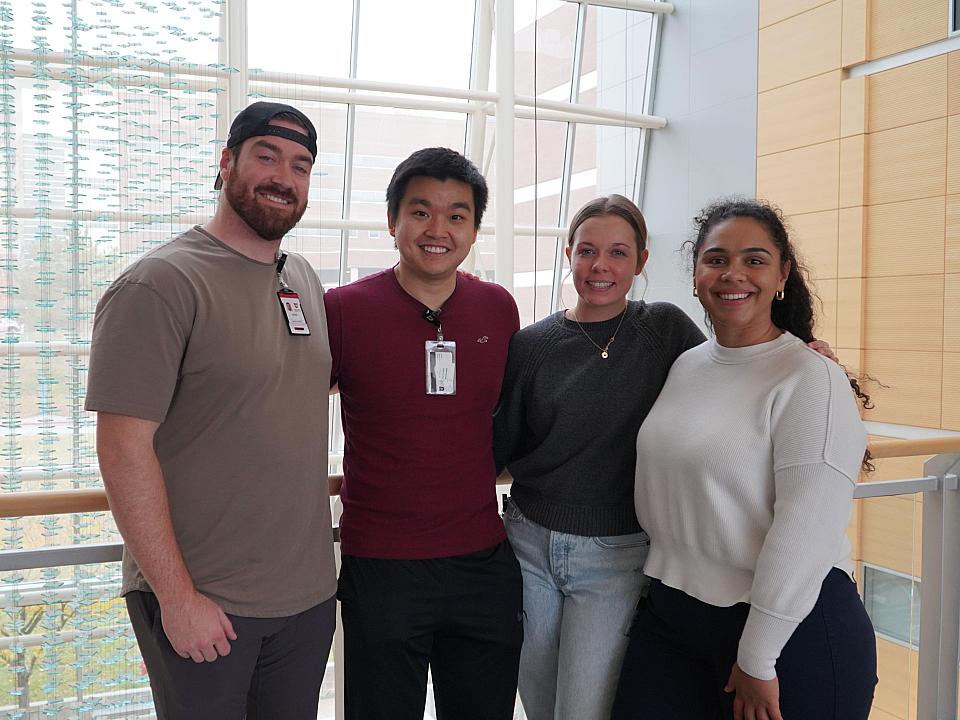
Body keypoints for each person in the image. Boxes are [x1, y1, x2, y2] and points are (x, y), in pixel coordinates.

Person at [86, 102, 337, 719]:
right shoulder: (160, 284)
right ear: (226, 163)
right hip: (206, 605)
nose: (284, 176)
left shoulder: (301, 278)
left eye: (301, 165)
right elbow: (122, 449)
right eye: (267, 156)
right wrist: (176, 597)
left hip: (305, 600)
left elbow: (274, 394)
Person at [611, 198, 877, 720]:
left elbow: (808, 526)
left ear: (783, 275)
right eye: (717, 259)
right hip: (672, 614)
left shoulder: (809, 377)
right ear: (695, 276)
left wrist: (757, 657)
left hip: (785, 632)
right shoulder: (687, 364)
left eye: (754, 260)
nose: (734, 273)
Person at [326, 147, 523, 720]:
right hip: (382, 565)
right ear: (392, 222)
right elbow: (276, 400)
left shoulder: (497, 308)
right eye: (420, 212)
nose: (438, 230)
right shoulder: (344, 309)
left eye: (457, 215)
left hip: (482, 561)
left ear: (474, 229)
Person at [493, 194, 705, 720]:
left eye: (617, 252)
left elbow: (730, 377)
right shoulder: (531, 344)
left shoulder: (665, 330)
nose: (600, 267)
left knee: (584, 710)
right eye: (587, 251)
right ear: (568, 254)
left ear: (641, 261)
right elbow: (501, 447)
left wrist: (803, 350)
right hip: (528, 544)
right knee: (539, 705)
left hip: (617, 554)